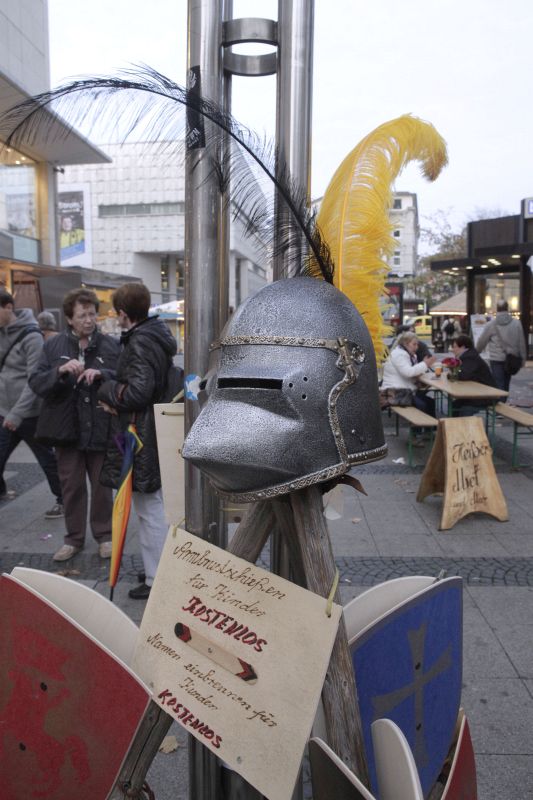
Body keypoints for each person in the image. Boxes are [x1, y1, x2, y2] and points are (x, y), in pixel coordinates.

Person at [97, 283, 177, 600]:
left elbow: (139, 392)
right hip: (147, 429)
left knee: (148, 507)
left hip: (141, 433)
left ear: (123, 313)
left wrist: (108, 391)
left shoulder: (141, 340)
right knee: (151, 505)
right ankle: (156, 567)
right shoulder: (152, 334)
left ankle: (158, 577)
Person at [29, 288, 120, 561]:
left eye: (92, 314)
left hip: (101, 425)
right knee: (71, 487)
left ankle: (104, 536)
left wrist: (103, 373)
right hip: (66, 428)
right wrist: (60, 371)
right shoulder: (53, 346)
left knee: (102, 487)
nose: (89, 320)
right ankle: (73, 539)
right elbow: (36, 382)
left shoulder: (110, 344)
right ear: (69, 318)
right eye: (82, 315)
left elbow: (123, 377)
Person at [0, 290, 63, 516]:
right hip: (4, 410)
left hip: (30, 414)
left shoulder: (32, 335)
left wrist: (17, 413)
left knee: (47, 459)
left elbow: (34, 380)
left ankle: (64, 499)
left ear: (8, 307)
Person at [476, 299, 527, 393]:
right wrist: (523, 358)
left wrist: (476, 352)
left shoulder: (491, 324)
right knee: (506, 383)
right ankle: (503, 399)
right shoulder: (516, 323)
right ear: (507, 308)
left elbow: (482, 341)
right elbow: (521, 342)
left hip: (496, 358)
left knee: (498, 383)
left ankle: (500, 400)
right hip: (511, 358)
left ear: (497, 309)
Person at [381, 331, 437, 416]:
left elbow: (411, 371)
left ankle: (432, 424)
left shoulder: (406, 354)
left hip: (402, 390)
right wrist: (425, 364)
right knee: (423, 405)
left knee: (430, 402)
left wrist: (422, 367)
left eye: (417, 344)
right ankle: (423, 424)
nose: (416, 347)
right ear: (405, 344)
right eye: (414, 344)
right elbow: (408, 372)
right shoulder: (399, 354)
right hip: (394, 393)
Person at [451, 334, 497, 416]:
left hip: (486, 395)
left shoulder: (470, 357)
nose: (453, 350)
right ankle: (453, 424)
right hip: (478, 392)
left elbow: (464, 375)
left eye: (455, 347)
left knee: (463, 409)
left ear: (463, 347)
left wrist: (453, 370)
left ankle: (463, 423)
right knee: (455, 405)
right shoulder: (469, 356)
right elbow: (462, 374)